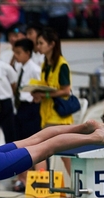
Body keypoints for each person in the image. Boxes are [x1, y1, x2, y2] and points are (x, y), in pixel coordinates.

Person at [31, 27, 75, 174]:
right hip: (46, 114)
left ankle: (78, 183)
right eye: (38, 43)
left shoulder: (61, 65)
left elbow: (66, 90)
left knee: (60, 154)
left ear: (52, 44)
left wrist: (47, 95)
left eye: (41, 43)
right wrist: (38, 93)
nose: (38, 46)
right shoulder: (45, 65)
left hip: (58, 117)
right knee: (49, 151)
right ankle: (42, 182)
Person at [12, 38, 42, 192]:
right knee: (20, 145)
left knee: (31, 144)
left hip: (30, 109)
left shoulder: (35, 69)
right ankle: (22, 178)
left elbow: (38, 92)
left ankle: (33, 178)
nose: (16, 56)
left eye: (18, 53)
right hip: (19, 109)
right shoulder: (20, 67)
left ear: (28, 53)